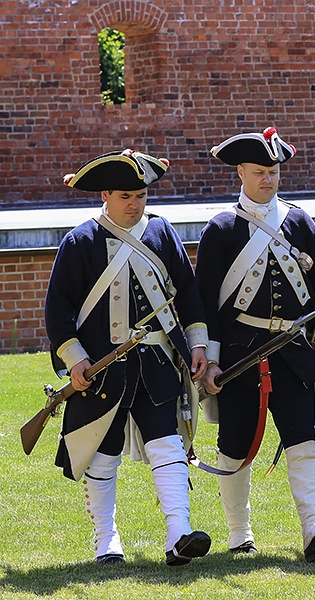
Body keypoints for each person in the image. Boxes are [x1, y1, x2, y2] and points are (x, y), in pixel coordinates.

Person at [45, 149, 211, 566]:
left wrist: (197, 344)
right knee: (103, 453)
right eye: (125, 196)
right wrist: (75, 358)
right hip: (103, 370)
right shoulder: (80, 241)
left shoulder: (162, 233)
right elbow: (58, 309)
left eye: (140, 195)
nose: (135, 203)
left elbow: (188, 294)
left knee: (169, 445)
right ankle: (106, 542)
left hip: (156, 364)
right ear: (105, 194)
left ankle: (179, 534)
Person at [198, 127, 315, 563]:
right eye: (260, 171)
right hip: (241, 354)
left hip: (294, 352)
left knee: (303, 439)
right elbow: (207, 303)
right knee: (235, 444)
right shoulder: (221, 229)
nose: (268, 178)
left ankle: (314, 530)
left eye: (274, 170)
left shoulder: (299, 222)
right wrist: (211, 362)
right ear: (240, 172)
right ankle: (239, 533)